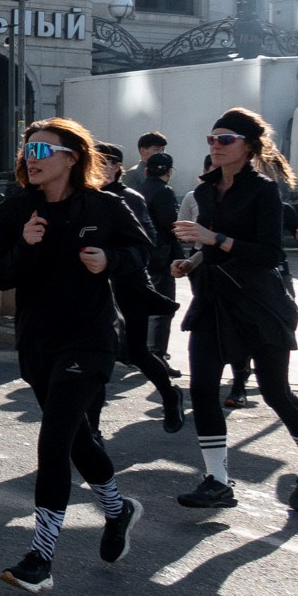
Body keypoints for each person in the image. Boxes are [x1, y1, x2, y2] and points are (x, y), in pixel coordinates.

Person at [0, 118, 151, 595]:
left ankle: (40, 557)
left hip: (91, 337)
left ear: (71, 157)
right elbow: (0, 276)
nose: (31, 159)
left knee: (54, 441)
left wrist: (111, 262)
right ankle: (118, 510)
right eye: (27, 150)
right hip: (39, 341)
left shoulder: (104, 206)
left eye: (42, 150)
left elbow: (144, 252)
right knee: (78, 440)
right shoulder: (16, 210)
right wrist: (26, 244)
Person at [171, 108, 298, 512]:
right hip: (213, 300)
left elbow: (270, 254)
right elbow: (209, 246)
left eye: (225, 139)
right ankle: (217, 480)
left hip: (259, 302)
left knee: (276, 392)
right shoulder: (204, 191)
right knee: (204, 387)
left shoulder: (262, 190)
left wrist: (216, 238)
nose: (216, 146)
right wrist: (190, 261)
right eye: (212, 139)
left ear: (247, 146)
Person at [95, 143, 182, 431]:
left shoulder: (129, 198)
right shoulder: (83, 197)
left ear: (118, 166)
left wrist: (112, 257)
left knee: (137, 352)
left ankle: (170, 395)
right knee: (98, 355)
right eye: (94, 162)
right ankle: (92, 430)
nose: (100, 168)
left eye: (106, 163)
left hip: (129, 284)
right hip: (94, 288)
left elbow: (147, 243)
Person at [138, 152, 184, 366]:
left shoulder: (139, 190)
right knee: (163, 305)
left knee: (143, 303)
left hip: (142, 253)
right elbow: (171, 225)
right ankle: (156, 353)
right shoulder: (165, 192)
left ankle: (142, 349)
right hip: (160, 255)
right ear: (169, 172)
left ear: (147, 170)